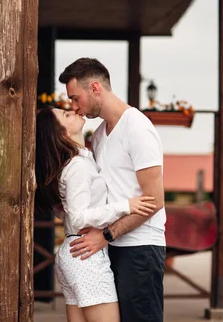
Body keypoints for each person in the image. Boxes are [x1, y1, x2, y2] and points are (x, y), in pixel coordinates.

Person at [58, 57, 166, 322]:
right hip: (110, 247)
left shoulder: (138, 128)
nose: (74, 107)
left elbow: (155, 201)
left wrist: (106, 234)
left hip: (140, 249)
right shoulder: (98, 135)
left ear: (95, 88)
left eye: (75, 98)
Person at [35, 106, 156, 322]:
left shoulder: (76, 163)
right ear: (62, 133)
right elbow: (79, 217)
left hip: (76, 253)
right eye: (66, 115)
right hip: (85, 257)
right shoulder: (77, 166)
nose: (73, 111)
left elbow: (67, 213)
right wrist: (126, 206)